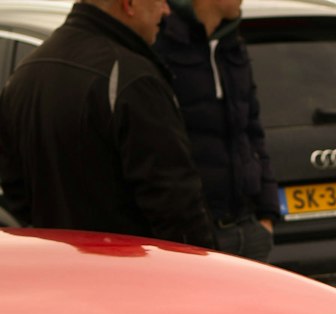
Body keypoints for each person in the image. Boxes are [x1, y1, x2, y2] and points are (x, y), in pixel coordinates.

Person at [0, 0, 214, 246]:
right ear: (130, 4)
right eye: (159, 0)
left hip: (59, 270)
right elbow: (175, 203)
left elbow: (16, 193)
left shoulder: (25, 74)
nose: (166, 10)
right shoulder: (132, 77)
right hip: (133, 272)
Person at [155, 0, 279, 261]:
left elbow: (253, 131)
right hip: (197, 238)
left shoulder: (231, 43)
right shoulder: (161, 43)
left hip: (249, 227)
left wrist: (267, 213)